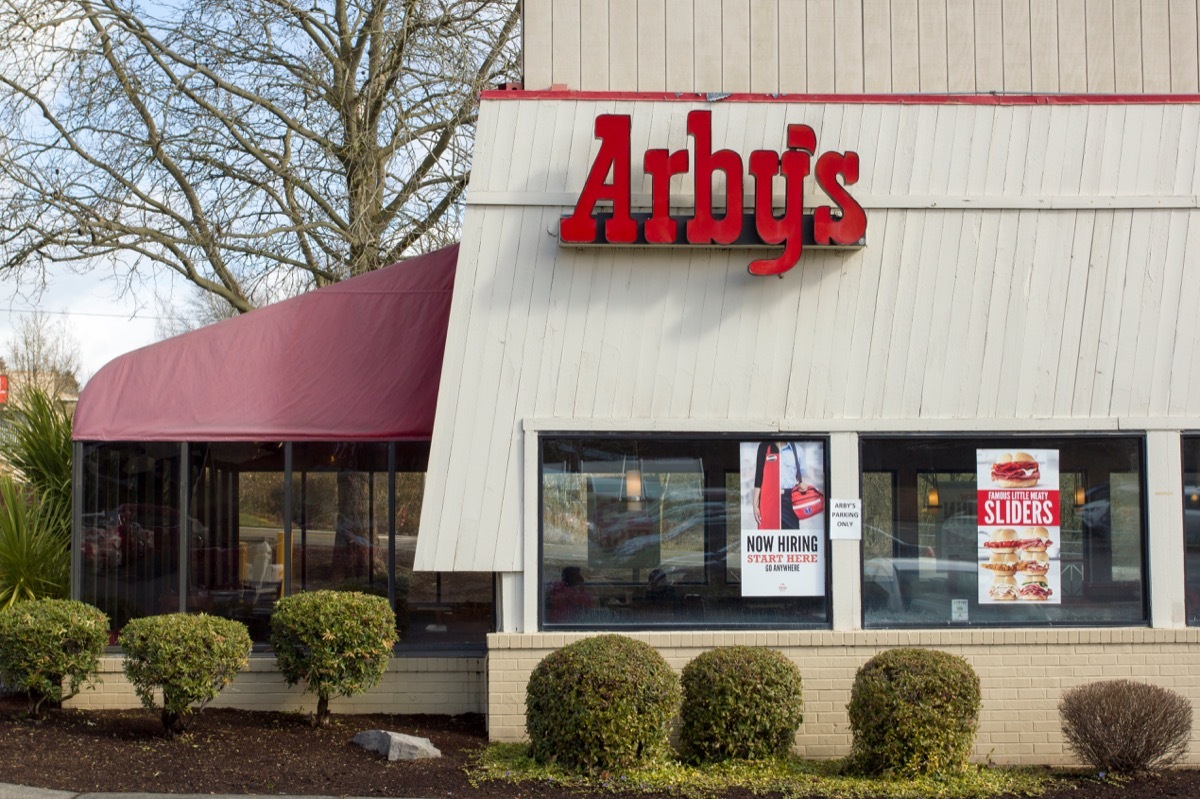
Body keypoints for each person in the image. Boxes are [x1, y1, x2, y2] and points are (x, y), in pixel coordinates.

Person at [753, 440, 811, 530]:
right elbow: (759, 477)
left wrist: (803, 485)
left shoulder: (797, 450)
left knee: (792, 539)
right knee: (768, 538)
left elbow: (802, 477)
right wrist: (755, 504)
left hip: (790, 500)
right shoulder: (764, 447)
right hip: (769, 499)